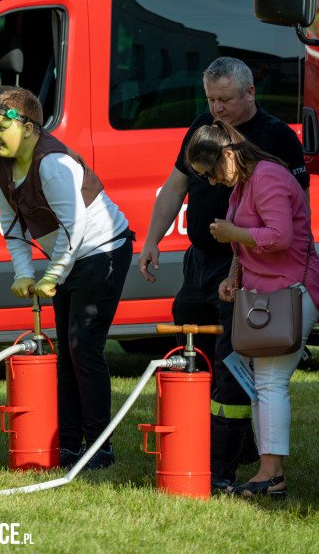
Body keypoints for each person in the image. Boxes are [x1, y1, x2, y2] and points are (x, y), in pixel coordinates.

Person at [138, 57, 310, 490]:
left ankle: (222, 467)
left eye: (225, 100)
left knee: (234, 363)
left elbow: (287, 222)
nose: (216, 108)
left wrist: (237, 244)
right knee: (191, 346)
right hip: (209, 261)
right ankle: (219, 444)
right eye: (211, 99)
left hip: (263, 270)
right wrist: (153, 240)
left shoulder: (275, 142)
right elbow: (175, 185)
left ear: (250, 93)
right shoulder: (204, 129)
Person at [0, 87, 133, 470]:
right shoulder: (0, 161)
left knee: (83, 348)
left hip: (103, 250)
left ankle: (100, 447)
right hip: (68, 257)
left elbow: (74, 226)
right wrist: (23, 272)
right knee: (67, 357)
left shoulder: (52, 163)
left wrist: (53, 273)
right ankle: (68, 444)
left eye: (4, 127)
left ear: (31, 129)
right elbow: (11, 222)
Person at [186, 119, 319, 497]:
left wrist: (233, 234)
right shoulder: (243, 184)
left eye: (210, 172)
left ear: (228, 154)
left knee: (270, 383)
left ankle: (272, 475)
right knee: (263, 385)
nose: (211, 182)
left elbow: (280, 236)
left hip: (292, 292)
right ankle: (268, 472)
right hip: (265, 295)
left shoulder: (268, 177)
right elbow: (245, 246)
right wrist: (233, 276)